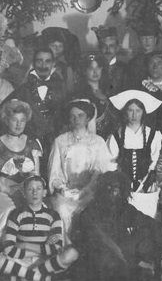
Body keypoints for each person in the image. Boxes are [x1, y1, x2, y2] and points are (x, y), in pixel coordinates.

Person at [69, 171, 162, 281]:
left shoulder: (125, 208)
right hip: (101, 264)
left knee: (149, 231)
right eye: (108, 187)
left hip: (124, 260)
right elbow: (106, 242)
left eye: (115, 188)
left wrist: (158, 256)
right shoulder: (90, 212)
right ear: (101, 189)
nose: (111, 191)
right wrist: (138, 263)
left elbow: (152, 225)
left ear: (122, 191)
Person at [0, 175, 79, 281]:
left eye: (38, 189)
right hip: (20, 261)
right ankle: (42, 279)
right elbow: (8, 249)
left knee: (72, 253)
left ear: (44, 192)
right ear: (24, 193)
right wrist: (40, 250)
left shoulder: (53, 215)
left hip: (43, 262)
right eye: (30, 189)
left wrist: (25, 246)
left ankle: (22, 278)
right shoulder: (15, 214)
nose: (35, 193)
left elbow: (56, 248)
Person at [47, 99, 117, 243]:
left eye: (80, 115)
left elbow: (102, 172)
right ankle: (65, 248)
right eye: (73, 116)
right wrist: (63, 189)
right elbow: (54, 172)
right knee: (61, 208)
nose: (76, 119)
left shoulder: (98, 142)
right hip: (66, 193)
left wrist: (86, 190)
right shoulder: (60, 141)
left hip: (91, 192)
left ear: (88, 118)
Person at [106, 89, 162, 217]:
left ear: (143, 113)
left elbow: (155, 163)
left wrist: (144, 184)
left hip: (147, 187)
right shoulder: (116, 136)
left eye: (138, 111)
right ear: (125, 112)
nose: (134, 115)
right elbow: (111, 165)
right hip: (122, 188)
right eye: (130, 110)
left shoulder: (153, 135)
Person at [0, 100, 44, 221]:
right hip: (4, 189)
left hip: (28, 189)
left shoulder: (32, 143)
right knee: (9, 209)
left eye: (22, 120)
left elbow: (36, 174)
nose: (19, 124)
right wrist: (8, 190)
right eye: (14, 120)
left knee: (40, 210)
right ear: (6, 121)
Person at [5, 47, 67, 153]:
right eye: (39, 61)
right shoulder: (23, 89)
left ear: (53, 64)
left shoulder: (61, 88)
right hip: (29, 146)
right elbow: (5, 111)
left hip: (56, 146)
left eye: (47, 61)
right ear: (33, 63)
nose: (43, 66)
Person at [70, 52, 116, 138]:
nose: (95, 72)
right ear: (84, 71)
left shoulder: (109, 91)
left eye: (98, 67)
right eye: (91, 68)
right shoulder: (79, 94)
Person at [127, 17, 162, 85]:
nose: (147, 41)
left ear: (155, 40)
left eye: (150, 38)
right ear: (139, 40)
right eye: (144, 38)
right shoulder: (133, 63)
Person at [94, 25, 129, 95]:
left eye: (111, 46)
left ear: (117, 48)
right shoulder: (93, 68)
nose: (108, 50)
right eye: (104, 46)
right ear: (100, 48)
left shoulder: (125, 68)